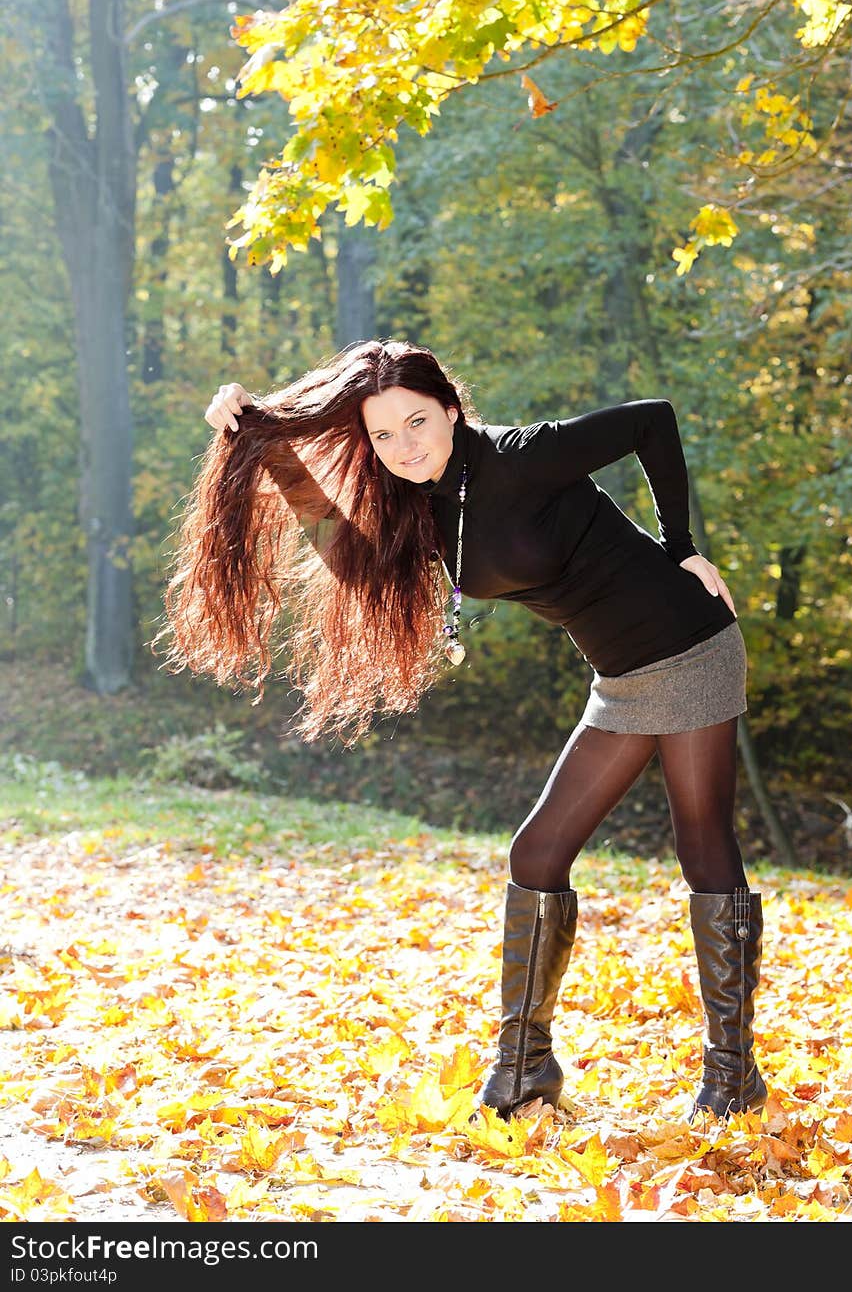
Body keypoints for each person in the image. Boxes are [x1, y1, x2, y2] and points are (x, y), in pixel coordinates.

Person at [158, 337, 766, 1125]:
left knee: (702, 840)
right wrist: (257, 439)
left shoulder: (516, 457)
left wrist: (681, 547)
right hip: (620, 679)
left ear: (450, 408)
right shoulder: (419, 505)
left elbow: (652, 420)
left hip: (689, 645)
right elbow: (342, 553)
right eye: (383, 435)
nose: (405, 447)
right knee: (537, 852)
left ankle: (731, 1075)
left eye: (418, 422)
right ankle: (525, 1069)